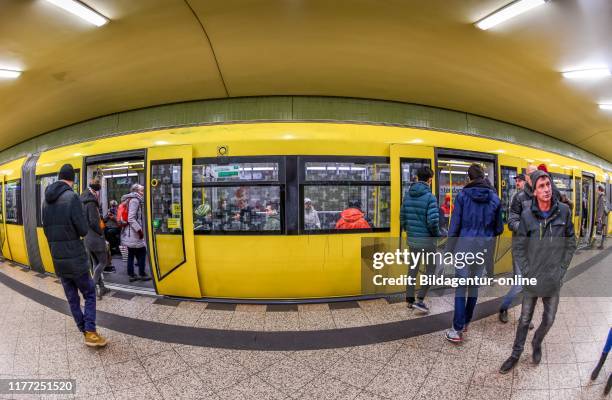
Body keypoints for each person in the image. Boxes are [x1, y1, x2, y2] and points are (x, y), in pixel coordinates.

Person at [500, 170, 576, 373]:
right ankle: (515, 354)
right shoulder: (526, 216)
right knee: (525, 319)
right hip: (532, 278)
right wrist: (526, 271)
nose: (546, 189)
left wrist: (561, 270)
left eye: (548, 184)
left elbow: (571, 243)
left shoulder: (564, 211)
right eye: (541, 186)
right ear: (534, 191)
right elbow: (519, 247)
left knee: (549, 319)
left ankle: (537, 342)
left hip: (553, 278)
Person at [42, 164, 107, 347]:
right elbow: (83, 230)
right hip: (75, 259)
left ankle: (83, 329)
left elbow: (46, 230)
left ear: (59, 177)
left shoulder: (46, 201)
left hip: (58, 259)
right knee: (89, 293)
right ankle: (91, 332)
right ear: (73, 179)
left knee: (72, 297)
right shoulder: (72, 198)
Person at [445, 163, 503, 343]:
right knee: (474, 286)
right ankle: (467, 321)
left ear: (469, 178)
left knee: (461, 287)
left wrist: (449, 249)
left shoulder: (462, 195)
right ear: (484, 176)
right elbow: (499, 228)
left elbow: (454, 225)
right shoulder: (495, 198)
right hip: (483, 248)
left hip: (464, 246)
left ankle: (457, 329)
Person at [499, 166, 538, 323]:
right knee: (519, 284)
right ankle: (503, 307)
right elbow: (511, 222)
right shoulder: (519, 197)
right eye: (531, 175)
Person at [400, 166, 441, 313]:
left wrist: (410, 231)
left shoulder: (408, 195)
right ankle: (420, 299)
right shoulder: (430, 197)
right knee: (431, 269)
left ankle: (409, 300)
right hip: (428, 242)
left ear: (417, 177)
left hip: (413, 241)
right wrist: (436, 235)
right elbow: (433, 222)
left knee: (413, 269)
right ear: (430, 180)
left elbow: (402, 218)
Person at [81, 177, 110, 299]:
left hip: (87, 237)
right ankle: (91, 288)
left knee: (95, 262)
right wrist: (101, 233)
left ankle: (101, 287)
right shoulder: (91, 202)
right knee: (103, 261)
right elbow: (93, 221)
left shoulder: (83, 198)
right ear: (95, 187)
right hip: (95, 237)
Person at [120, 184, 151, 282]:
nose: (143, 192)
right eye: (142, 190)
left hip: (129, 232)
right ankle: (141, 274)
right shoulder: (135, 200)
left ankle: (132, 275)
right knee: (142, 252)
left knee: (131, 254)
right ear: (136, 191)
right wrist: (139, 231)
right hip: (133, 233)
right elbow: (131, 218)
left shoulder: (130, 199)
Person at [596, 185, 609, 249]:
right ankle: (601, 244)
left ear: (599, 190)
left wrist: (599, 217)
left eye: (597, 189)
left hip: (602, 217)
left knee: (601, 230)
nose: (596, 190)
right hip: (604, 216)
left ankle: (601, 245)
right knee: (602, 230)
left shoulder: (601, 197)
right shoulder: (604, 196)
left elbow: (601, 207)